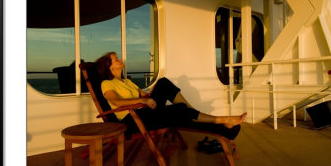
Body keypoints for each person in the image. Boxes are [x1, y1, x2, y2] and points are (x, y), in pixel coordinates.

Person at [95, 52, 247, 140]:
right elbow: (116, 102)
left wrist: (149, 94)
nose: (120, 59)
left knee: (163, 83)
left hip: (144, 112)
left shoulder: (127, 81)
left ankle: (192, 111)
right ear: (110, 66)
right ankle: (222, 120)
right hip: (132, 120)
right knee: (180, 110)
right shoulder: (107, 83)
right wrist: (142, 99)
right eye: (116, 59)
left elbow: (147, 95)